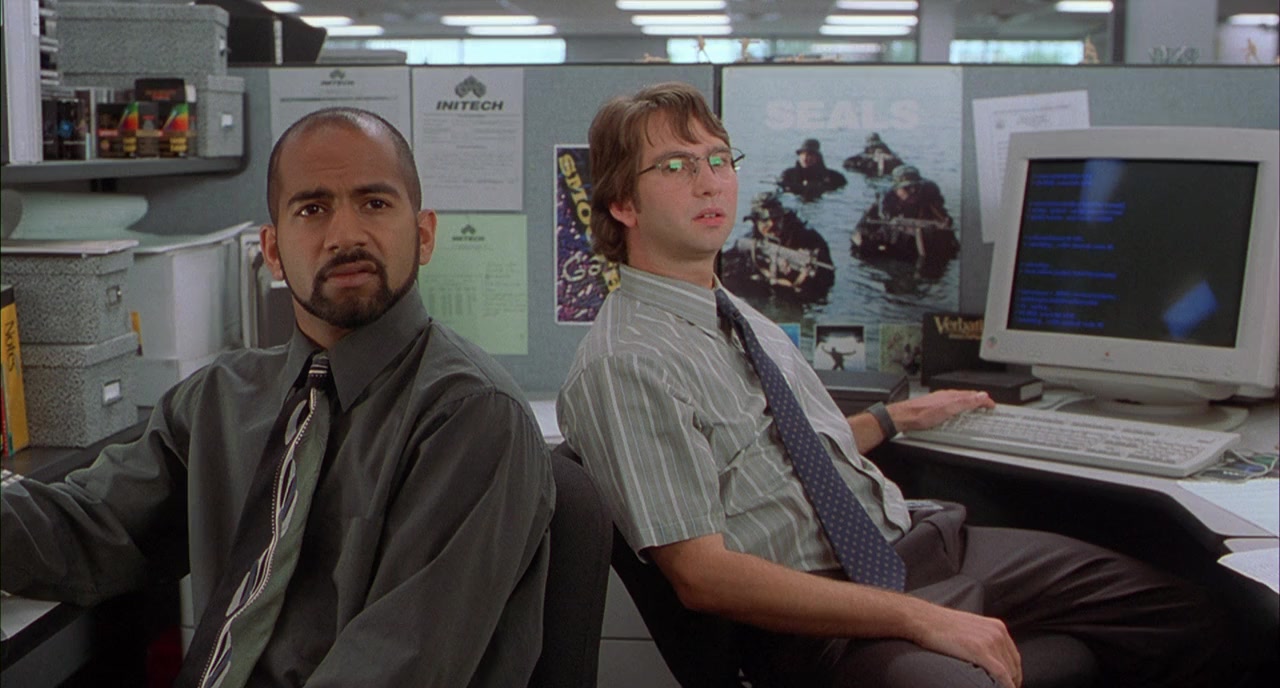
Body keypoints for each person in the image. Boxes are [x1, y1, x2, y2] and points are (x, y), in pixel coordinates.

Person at [558, 81, 1236, 688]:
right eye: (676, 166)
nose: (710, 183)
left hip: (915, 543)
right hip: (824, 619)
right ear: (622, 202)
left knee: (1188, 617)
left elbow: (777, 452)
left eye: (718, 160)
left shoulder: (733, 313)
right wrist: (916, 617)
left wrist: (895, 419)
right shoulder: (628, 362)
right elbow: (703, 577)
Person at [1, 107, 555, 686]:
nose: (345, 235)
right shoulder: (220, 399)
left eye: (374, 203)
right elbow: (87, 527)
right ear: (271, 250)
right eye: (312, 209)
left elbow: (395, 670)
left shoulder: (470, 419)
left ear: (424, 235)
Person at [724, 191, 834, 295]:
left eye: (776, 218)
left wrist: (798, 278)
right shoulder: (751, 241)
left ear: (783, 217)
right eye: (764, 220)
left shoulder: (810, 240)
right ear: (755, 222)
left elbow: (826, 281)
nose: (771, 224)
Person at [778, 137, 847, 201]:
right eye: (802, 154)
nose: (805, 158)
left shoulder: (835, 177)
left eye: (809, 154)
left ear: (817, 157)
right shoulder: (788, 174)